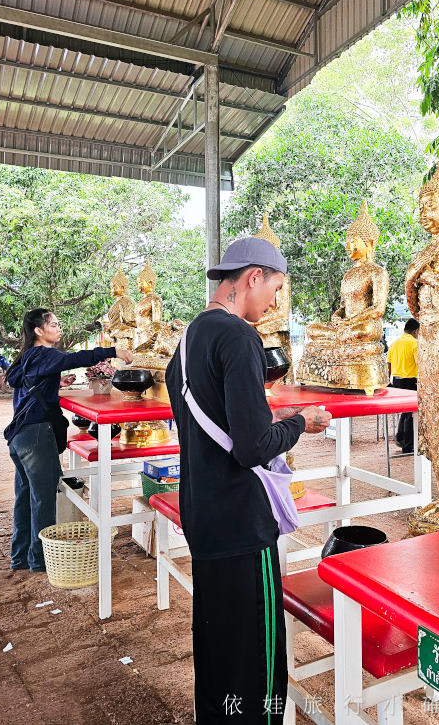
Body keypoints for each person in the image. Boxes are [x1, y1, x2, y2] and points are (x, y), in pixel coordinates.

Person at [166, 237, 332, 724]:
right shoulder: (240, 338)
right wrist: (302, 421)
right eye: (275, 289)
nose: (275, 303)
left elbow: (195, 420)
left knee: (217, 644)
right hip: (241, 522)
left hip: (203, 512)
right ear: (253, 277)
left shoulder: (189, 335)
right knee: (256, 661)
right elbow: (253, 446)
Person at [4, 309, 131, 572]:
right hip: (37, 435)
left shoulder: (27, 356)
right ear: (39, 330)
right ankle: (39, 561)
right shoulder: (45, 354)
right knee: (43, 499)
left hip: (20, 437)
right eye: (53, 324)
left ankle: (19, 557)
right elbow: (77, 358)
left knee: (25, 496)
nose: (58, 328)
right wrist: (112, 351)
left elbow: (21, 380)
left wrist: (56, 382)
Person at [387, 318, 419, 453]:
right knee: (412, 413)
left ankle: (400, 437)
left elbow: (388, 363)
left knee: (404, 411)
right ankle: (408, 445)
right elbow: (420, 363)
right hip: (411, 380)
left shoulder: (394, 343)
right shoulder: (415, 343)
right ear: (416, 331)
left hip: (397, 380)